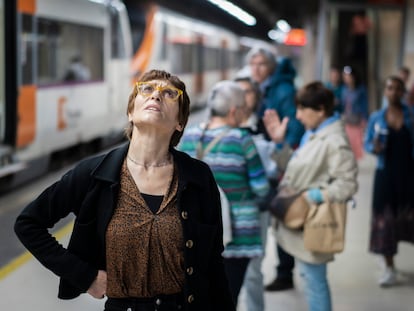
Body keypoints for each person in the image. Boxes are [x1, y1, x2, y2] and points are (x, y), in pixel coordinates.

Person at [14, 69, 235, 311]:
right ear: (130, 112)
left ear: (180, 123)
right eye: (147, 89)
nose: (156, 96)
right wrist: (85, 276)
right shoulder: (94, 173)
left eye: (170, 93)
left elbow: (213, 262)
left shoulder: (198, 177)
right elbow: (28, 223)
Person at [263, 81, 358, 311]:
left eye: (302, 110)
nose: (298, 116)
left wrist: (314, 196)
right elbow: (297, 168)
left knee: (315, 282)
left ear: (321, 110)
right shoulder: (314, 133)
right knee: (310, 278)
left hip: (313, 221)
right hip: (301, 220)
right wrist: (279, 143)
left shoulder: (334, 141)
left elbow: (347, 184)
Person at [179, 80, 270, 307]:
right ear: (233, 111)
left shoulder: (189, 137)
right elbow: (262, 188)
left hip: (197, 233)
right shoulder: (242, 139)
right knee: (228, 299)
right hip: (238, 238)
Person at [247, 45, 305, 292]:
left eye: (261, 64)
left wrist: (284, 156)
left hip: (280, 161)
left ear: (271, 66)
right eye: (253, 63)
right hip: (269, 157)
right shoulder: (263, 86)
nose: (256, 68)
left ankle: (285, 273)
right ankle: (283, 270)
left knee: (282, 216)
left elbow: (292, 126)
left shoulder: (282, 89)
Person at [364, 76, 414, 287]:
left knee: (409, 219)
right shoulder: (377, 118)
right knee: (385, 222)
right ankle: (389, 268)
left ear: (403, 92)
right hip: (385, 175)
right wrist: (373, 148)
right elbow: (367, 143)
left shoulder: (411, 116)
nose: (393, 92)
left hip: (409, 175)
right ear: (385, 91)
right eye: (389, 88)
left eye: (397, 89)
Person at [235, 76, 277, 311]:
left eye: (248, 92)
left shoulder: (266, 126)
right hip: (224, 210)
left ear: (257, 96)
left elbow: (281, 168)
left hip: (256, 207)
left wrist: (279, 144)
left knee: (253, 270)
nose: (243, 96)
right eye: (237, 92)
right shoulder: (219, 126)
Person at [340, 65, 369, 160]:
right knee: (347, 144)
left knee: (356, 145)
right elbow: (343, 105)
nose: (347, 79)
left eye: (349, 76)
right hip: (347, 120)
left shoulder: (361, 90)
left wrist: (364, 119)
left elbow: (364, 105)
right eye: (345, 76)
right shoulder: (344, 90)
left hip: (357, 120)